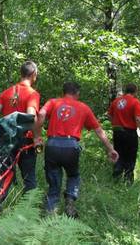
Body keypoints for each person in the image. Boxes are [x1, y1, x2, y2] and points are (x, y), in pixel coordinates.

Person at [33, 82, 118, 217]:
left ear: (64, 92)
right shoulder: (83, 107)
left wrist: (37, 137)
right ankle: (70, 201)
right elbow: (98, 130)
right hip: (71, 146)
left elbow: (41, 114)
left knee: (54, 180)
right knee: (73, 175)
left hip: (52, 145)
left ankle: (50, 212)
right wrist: (110, 149)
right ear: (77, 93)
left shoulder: (53, 102)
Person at [0, 61, 40, 192]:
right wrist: (36, 138)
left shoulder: (6, 92)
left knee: (4, 176)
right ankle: (29, 208)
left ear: (21, 73)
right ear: (33, 74)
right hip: (25, 141)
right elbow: (31, 116)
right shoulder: (32, 94)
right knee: (29, 178)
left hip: (6, 140)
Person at [108, 83, 140, 183]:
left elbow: (109, 115)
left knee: (118, 153)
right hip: (129, 133)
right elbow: (138, 119)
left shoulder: (116, 101)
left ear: (126, 90)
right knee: (130, 156)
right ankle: (128, 181)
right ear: (135, 91)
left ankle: (116, 178)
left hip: (117, 132)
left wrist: (116, 123)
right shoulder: (135, 102)